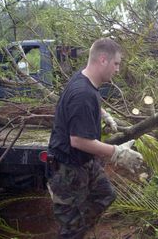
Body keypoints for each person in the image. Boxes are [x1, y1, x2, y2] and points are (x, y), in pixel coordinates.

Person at [47, 38, 143, 239]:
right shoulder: (82, 93)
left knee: (104, 195)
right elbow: (78, 141)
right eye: (116, 63)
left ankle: (81, 228)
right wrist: (118, 153)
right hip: (68, 167)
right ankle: (75, 229)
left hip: (84, 162)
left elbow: (90, 103)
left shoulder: (85, 82)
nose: (117, 69)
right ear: (102, 59)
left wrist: (103, 114)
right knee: (70, 230)